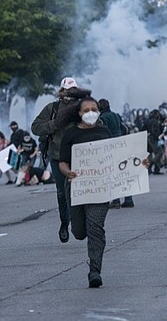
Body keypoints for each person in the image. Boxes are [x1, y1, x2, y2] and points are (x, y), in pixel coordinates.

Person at [58, 96, 149, 288]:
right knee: (80, 232)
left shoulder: (104, 132)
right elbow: (62, 163)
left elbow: (117, 158)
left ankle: (95, 271)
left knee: (95, 228)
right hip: (76, 189)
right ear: (79, 113)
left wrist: (140, 163)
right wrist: (69, 172)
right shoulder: (70, 134)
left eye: (94, 109)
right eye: (86, 110)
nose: (90, 112)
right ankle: (82, 239)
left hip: (100, 190)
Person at [31, 77, 91, 243]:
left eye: (73, 91)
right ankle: (64, 222)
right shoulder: (53, 108)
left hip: (82, 156)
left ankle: (80, 223)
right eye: (66, 90)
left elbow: (99, 125)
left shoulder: (84, 107)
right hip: (58, 156)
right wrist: (54, 124)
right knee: (62, 192)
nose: (69, 94)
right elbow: (36, 127)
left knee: (83, 190)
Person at [101, 98, 134, 209]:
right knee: (123, 173)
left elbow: (104, 132)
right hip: (120, 144)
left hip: (110, 146)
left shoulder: (102, 118)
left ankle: (116, 200)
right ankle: (128, 199)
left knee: (112, 174)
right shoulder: (116, 115)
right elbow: (124, 128)